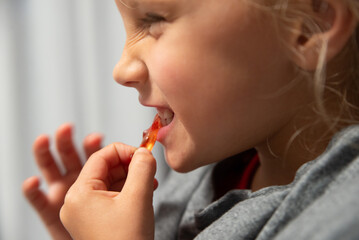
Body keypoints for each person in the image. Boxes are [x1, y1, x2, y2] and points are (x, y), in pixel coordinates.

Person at [22, 0, 359, 239]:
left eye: (153, 20)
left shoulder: (344, 218)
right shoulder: (194, 179)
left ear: (309, 28)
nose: (122, 69)